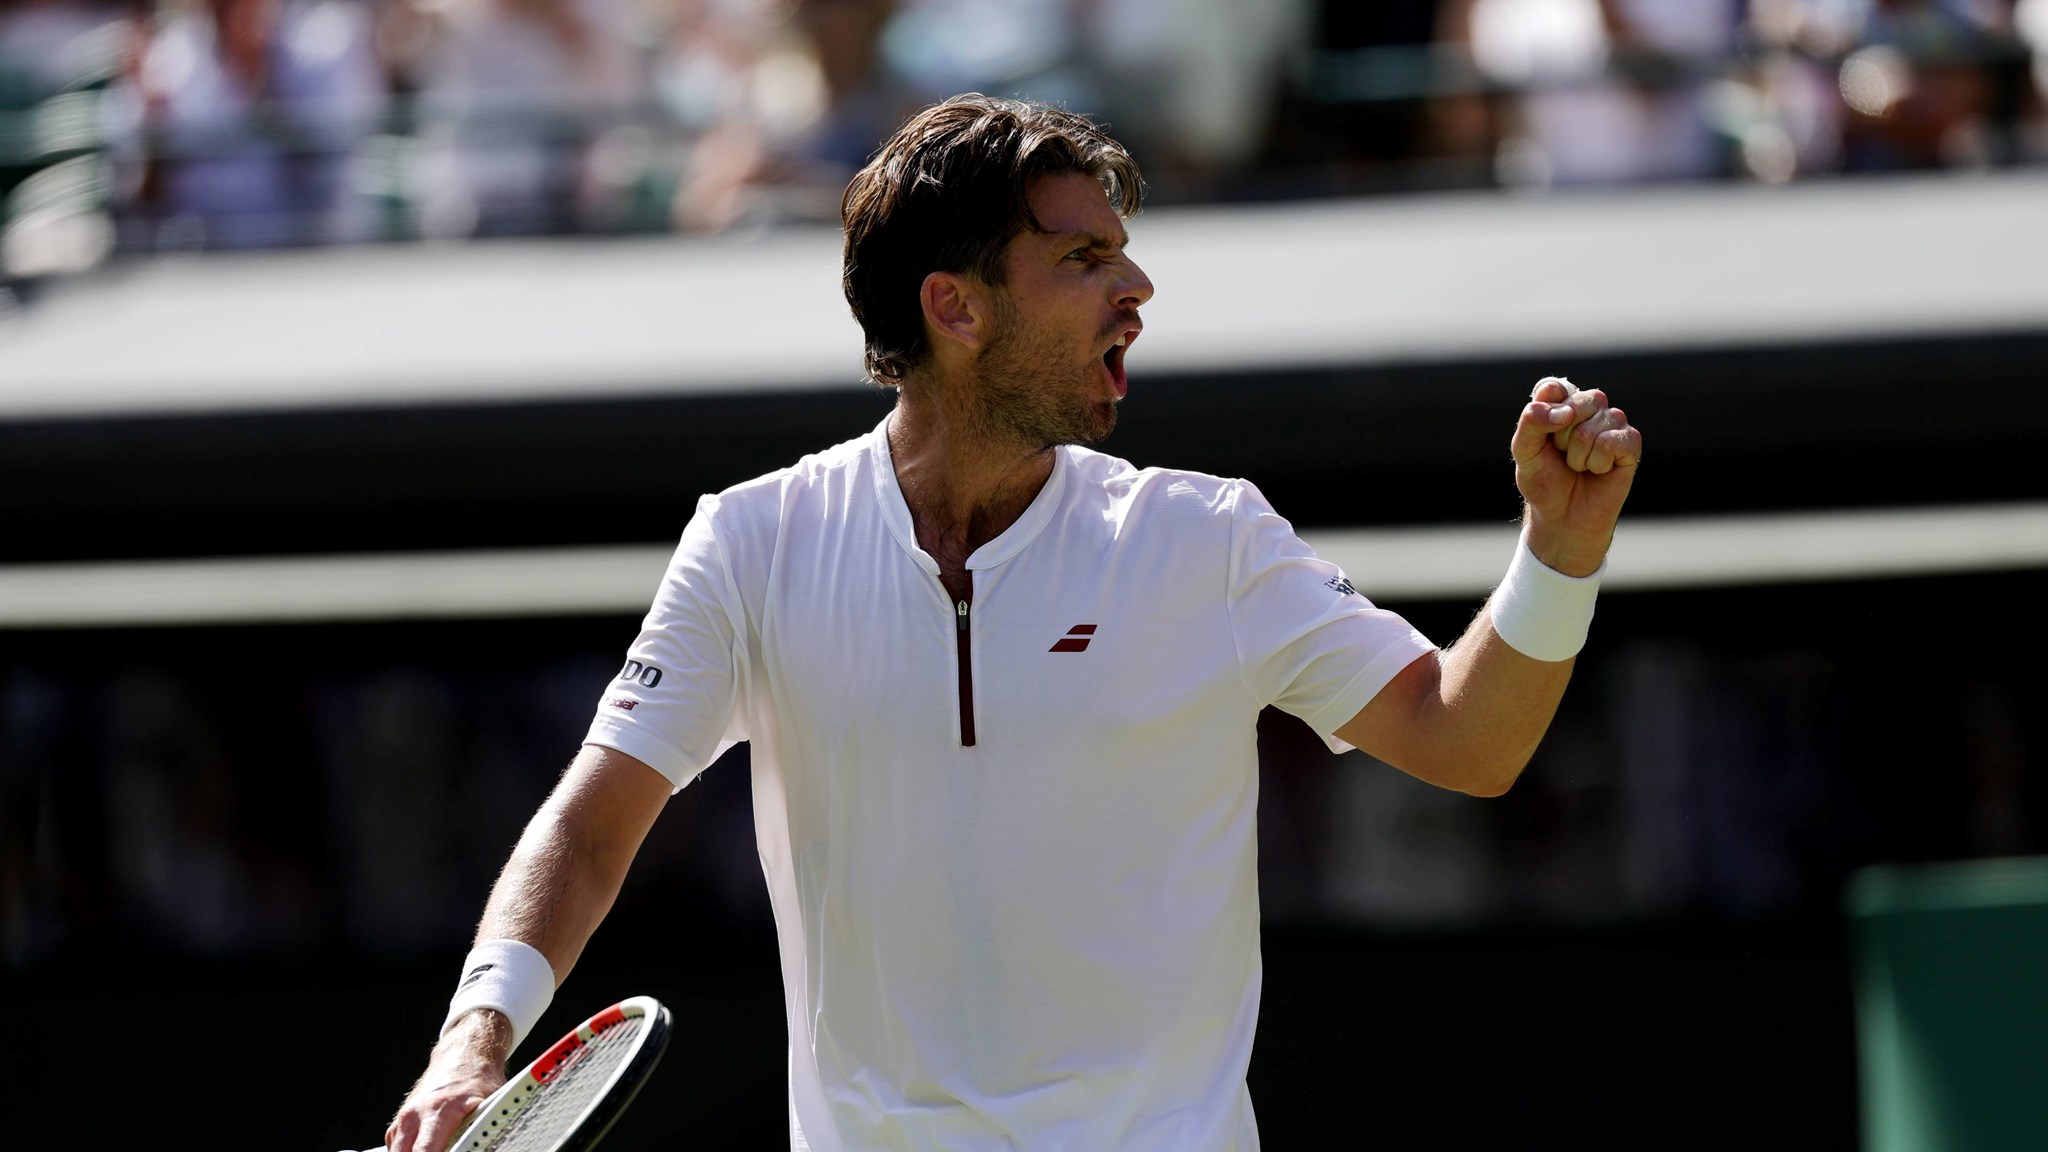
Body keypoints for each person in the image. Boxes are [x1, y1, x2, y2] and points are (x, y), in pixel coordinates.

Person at [384, 93, 1642, 1152]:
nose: (1137, 289)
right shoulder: (752, 542)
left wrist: (1558, 551)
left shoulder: (1206, 539)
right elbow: (594, 826)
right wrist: (468, 1042)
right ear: (956, 307)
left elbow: (1467, 741)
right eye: (1083, 260)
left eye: (1123, 255)